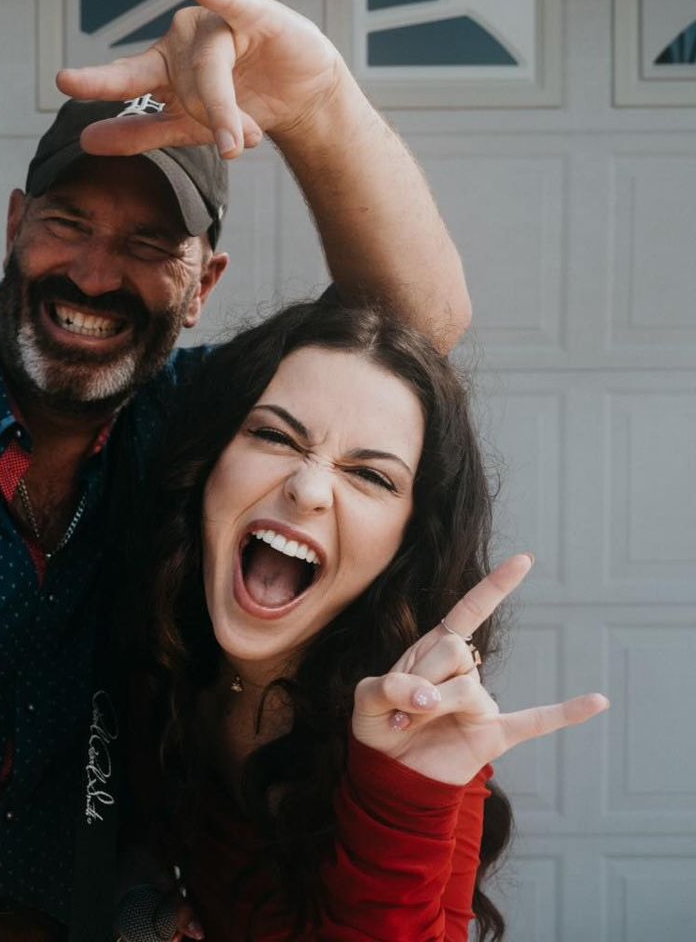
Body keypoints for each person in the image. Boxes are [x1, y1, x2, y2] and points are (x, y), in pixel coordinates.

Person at [0, 0, 476, 938]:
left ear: (204, 285)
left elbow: (415, 334)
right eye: (68, 223)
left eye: (149, 243)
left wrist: (320, 101)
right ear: (15, 225)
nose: (92, 273)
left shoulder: (201, 424)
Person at [126, 298, 609, 941]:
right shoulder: (156, 634)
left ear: (405, 543)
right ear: (209, 463)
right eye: (272, 436)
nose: (308, 488)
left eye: (372, 476)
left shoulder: (430, 728)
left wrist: (401, 796)